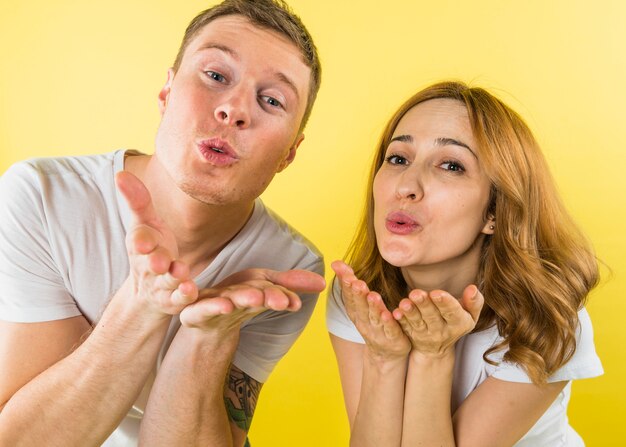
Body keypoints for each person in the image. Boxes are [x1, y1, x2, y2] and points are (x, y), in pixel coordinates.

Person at [0, 1, 325, 446]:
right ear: (166, 94)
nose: (233, 110)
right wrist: (142, 302)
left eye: (271, 100)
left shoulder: (288, 270)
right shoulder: (43, 197)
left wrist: (208, 337)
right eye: (215, 76)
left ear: (289, 153)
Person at [327, 81, 603, 446]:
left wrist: (433, 355)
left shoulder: (545, 319)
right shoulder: (361, 295)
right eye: (398, 158)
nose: (407, 185)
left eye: (451, 165)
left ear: (494, 212)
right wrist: (384, 356)